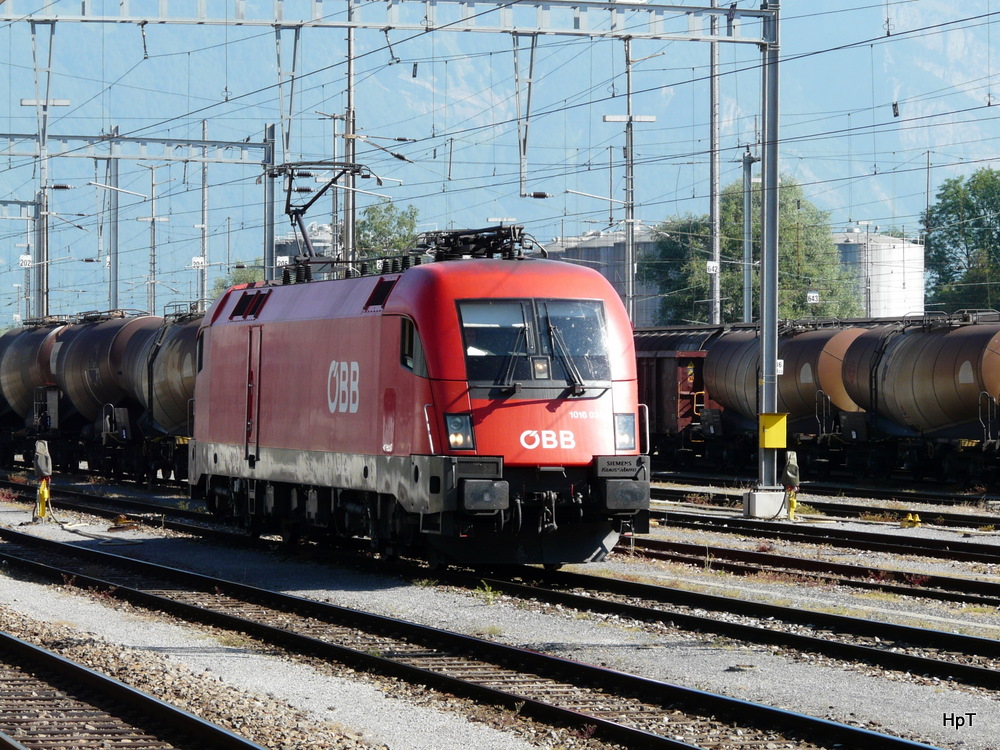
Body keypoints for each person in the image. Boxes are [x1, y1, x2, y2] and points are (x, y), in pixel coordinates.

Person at [32, 440, 52, 522]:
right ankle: (41, 514)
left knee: (43, 493)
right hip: (43, 476)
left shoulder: (40, 455)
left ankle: (42, 514)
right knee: (40, 493)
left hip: (44, 476)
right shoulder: (42, 455)